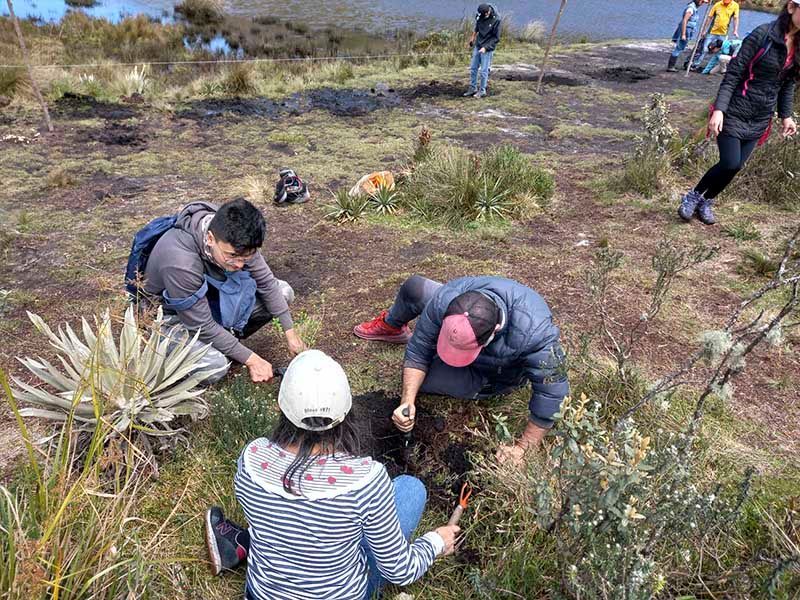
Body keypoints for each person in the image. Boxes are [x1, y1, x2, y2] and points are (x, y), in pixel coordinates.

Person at [204, 350, 460, 600]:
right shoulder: (367, 480)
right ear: (346, 412)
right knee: (410, 488)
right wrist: (436, 541)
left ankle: (238, 543)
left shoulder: (252, 458)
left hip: (260, 594)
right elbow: (399, 571)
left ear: (281, 407)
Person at [353, 275, 569, 465]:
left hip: (495, 373)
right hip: (459, 317)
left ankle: (478, 381)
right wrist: (407, 401)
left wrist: (524, 448)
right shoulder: (446, 299)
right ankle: (392, 328)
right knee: (415, 288)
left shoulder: (535, 335)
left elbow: (551, 392)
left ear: (493, 332)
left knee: (427, 381)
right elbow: (418, 351)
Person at [135, 198, 306, 383]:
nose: (240, 264)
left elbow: (267, 283)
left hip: (208, 302)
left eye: (246, 257)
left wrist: (291, 333)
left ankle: (225, 342)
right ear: (210, 239)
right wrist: (252, 360)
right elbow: (201, 325)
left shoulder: (239, 237)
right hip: (169, 318)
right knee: (215, 365)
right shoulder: (180, 261)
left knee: (283, 292)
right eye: (232, 256)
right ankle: (172, 356)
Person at [679, 0, 799, 225]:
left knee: (737, 167)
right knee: (730, 162)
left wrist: (786, 115)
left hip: (761, 117)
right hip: (735, 109)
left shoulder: (799, 45)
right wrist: (719, 110)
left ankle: (707, 201)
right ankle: (692, 196)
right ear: (792, 8)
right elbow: (733, 74)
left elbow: (788, 83)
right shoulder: (763, 35)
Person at [689, 0, 741, 71]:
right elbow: (709, 17)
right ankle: (695, 64)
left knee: (720, 51)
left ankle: (717, 68)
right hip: (712, 31)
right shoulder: (717, 4)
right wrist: (704, 30)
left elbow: (736, 18)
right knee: (705, 49)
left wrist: (735, 30)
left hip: (723, 33)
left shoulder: (735, 6)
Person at [463, 4, 501, 98]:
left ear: (488, 11)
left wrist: (486, 48)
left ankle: (482, 91)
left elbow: (496, 38)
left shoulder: (496, 20)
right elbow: (477, 27)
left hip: (487, 48)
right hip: (478, 44)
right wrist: (472, 38)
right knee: (473, 68)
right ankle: (472, 88)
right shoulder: (480, 16)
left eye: (486, 14)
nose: (484, 16)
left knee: (484, 70)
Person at [668, 0, 711, 72]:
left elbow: (703, 2)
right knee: (679, 48)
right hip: (685, 30)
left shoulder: (694, 6)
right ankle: (670, 66)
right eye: (701, 2)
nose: (702, 4)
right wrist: (683, 34)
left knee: (680, 48)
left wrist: (705, 1)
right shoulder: (690, 9)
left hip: (689, 30)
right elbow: (685, 20)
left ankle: (671, 66)